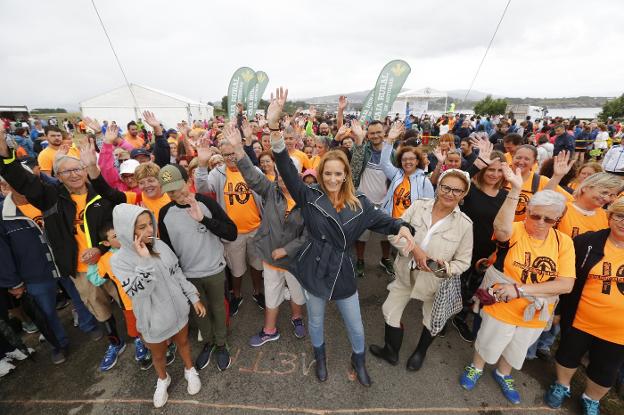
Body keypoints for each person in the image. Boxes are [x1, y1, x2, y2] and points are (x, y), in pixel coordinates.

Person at [266, 87, 416, 387]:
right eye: (328, 174)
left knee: (356, 327)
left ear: (346, 175)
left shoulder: (360, 203)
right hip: (315, 266)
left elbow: (386, 221)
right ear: (321, 176)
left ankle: (358, 360)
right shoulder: (308, 196)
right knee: (317, 321)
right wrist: (274, 128)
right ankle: (320, 358)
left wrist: (403, 227)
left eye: (339, 174)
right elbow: (285, 166)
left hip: (344, 268)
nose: (333, 179)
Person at [0, 129, 128, 372]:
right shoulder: (51, 198)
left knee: (128, 303)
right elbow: (23, 180)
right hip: (80, 270)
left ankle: (140, 338)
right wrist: (5, 155)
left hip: (113, 262)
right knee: (99, 310)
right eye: (67, 171)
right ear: (57, 176)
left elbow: (120, 206)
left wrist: (100, 249)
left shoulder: (99, 192)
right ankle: (115, 342)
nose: (74, 174)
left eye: (78, 168)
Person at [459, 177, 575, 405]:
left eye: (549, 219)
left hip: (533, 311)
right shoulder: (516, 230)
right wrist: (516, 189)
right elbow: (500, 229)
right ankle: (476, 367)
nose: (541, 222)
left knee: (518, 347)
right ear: (528, 210)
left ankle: (503, 373)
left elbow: (565, 284)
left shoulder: (564, 243)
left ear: (557, 219)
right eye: (535, 215)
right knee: (489, 340)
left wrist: (519, 290)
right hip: (501, 305)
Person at [370, 169, 473, 371]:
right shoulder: (418, 207)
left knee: (431, 320)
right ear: (438, 187)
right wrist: (415, 250)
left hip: (434, 282)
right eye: (446, 187)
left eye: (457, 191)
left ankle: (420, 352)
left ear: (463, 195)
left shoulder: (465, 225)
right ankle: (391, 351)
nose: (450, 193)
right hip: (405, 273)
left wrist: (446, 268)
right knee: (389, 310)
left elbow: (463, 261)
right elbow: (393, 233)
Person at [110, 204, 206, 408]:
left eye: (150, 224)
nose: (150, 231)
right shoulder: (118, 260)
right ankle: (163, 379)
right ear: (128, 231)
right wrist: (144, 262)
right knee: (159, 354)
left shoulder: (160, 245)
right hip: (153, 320)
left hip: (178, 311)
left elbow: (176, 271)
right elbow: (138, 292)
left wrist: (192, 296)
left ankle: (190, 369)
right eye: (142, 227)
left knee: (184, 343)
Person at [221, 124, 308, 347]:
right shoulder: (271, 192)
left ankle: (297, 319)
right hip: (270, 258)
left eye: (288, 175)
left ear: (297, 176)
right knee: (271, 294)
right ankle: (270, 330)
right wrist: (239, 148)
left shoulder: (308, 200)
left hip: (295, 261)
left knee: (297, 295)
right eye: (279, 175)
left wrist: (286, 250)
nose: (282, 180)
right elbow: (251, 175)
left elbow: (309, 235)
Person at [544, 198, 624, 415]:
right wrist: (558, 309)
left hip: (619, 330)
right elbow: (567, 275)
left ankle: (592, 399)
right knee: (567, 354)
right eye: (619, 216)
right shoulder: (587, 242)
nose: (623, 222)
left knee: (606, 369)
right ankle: (562, 385)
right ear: (609, 217)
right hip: (581, 317)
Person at [157, 164, 237, 372]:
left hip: (215, 270)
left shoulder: (206, 203)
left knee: (218, 308)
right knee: (199, 311)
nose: (176, 194)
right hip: (188, 275)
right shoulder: (165, 213)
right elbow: (168, 249)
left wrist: (203, 219)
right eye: (170, 191)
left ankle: (221, 343)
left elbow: (231, 232)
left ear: (188, 181)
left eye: (178, 187)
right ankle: (208, 342)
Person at [0, 170, 69, 364]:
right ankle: (58, 344)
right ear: (5, 187)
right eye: (16, 181)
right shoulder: (2, 215)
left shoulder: (48, 199)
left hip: (64, 262)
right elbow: (2, 252)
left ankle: (91, 325)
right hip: (34, 273)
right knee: (45, 313)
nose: (24, 186)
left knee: (80, 298)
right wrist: (13, 282)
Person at [195, 135, 266, 315]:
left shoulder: (253, 170)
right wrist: (202, 165)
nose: (231, 158)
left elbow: (266, 194)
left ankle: (258, 292)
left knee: (257, 266)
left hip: (256, 229)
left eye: (233, 153)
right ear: (222, 156)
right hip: (233, 233)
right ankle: (237, 295)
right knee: (236, 268)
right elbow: (202, 191)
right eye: (226, 155)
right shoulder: (217, 173)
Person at [452, 141, 508, 342]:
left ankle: (460, 317)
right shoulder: (470, 190)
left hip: (487, 252)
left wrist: (498, 253)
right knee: (451, 285)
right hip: (461, 247)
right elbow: (457, 181)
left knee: (473, 289)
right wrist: (476, 163)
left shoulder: (506, 195)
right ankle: (439, 316)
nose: (494, 174)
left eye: (499, 170)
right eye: (490, 169)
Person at [87, 222, 150, 369]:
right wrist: (92, 263)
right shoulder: (106, 259)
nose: (120, 238)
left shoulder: (136, 246)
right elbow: (96, 279)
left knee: (154, 323)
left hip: (148, 297)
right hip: (128, 303)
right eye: (115, 236)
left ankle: (166, 344)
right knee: (136, 329)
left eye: (121, 233)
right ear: (106, 242)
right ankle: (142, 344)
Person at [351, 120, 393, 278]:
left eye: (378, 132)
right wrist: (359, 141)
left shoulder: (392, 152)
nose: (375, 136)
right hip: (364, 202)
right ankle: (360, 260)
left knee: (387, 235)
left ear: (384, 133)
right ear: (367, 135)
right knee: (362, 235)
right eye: (372, 133)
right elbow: (354, 168)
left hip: (386, 202)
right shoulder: (363, 149)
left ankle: (385, 259)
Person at [557, 172, 621, 238]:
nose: (607, 199)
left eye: (611, 195)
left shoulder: (606, 216)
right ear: (585, 188)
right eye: (604, 192)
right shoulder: (561, 210)